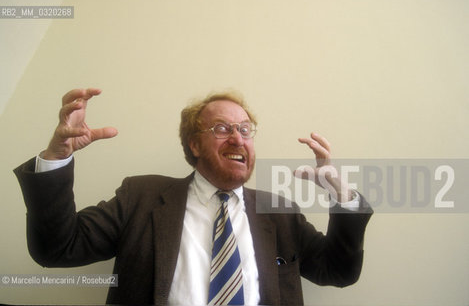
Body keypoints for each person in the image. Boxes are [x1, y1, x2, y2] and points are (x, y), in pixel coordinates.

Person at [14, 88, 372, 305]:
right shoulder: (141, 196)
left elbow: (337, 272)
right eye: (222, 128)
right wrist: (58, 158)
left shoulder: (278, 212)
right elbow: (57, 248)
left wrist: (342, 195)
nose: (238, 138)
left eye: (246, 129)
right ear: (194, 144)